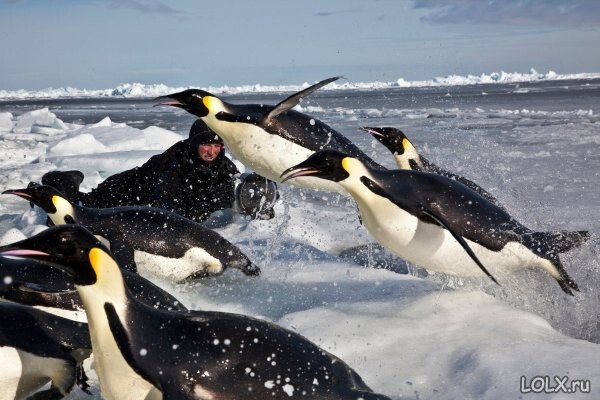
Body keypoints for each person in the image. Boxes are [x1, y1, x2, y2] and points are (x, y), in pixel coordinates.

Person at [41, 120, 277, 222]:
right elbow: (169, 217)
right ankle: (57, 183)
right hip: (122, 192)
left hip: (142, 194)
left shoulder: (223, 165)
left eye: (217, 145)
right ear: (194, 144)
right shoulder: (170, 167)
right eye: (206, 144)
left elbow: (237, 191)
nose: (212, 151)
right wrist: (214, 201)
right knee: (79, 207)